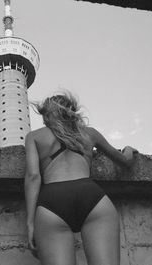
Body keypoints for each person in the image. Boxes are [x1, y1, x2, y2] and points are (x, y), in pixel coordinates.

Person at [24, 92, 137, 265]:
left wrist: (30, 223)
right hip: (91, 196)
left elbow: (33, 177)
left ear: (46, 115)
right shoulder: (89, 133)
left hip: (53, 201)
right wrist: (128, 149)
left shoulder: (35, 136)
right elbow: (125, 161)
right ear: (72, 111)